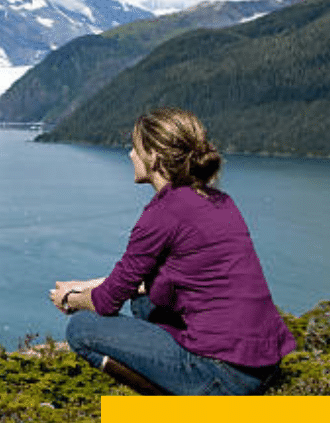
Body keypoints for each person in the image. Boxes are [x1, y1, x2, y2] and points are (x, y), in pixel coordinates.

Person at [50, 107, 296, 395]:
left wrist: (70, 298)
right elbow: (137, 281)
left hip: (225, 374)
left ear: (153, 156)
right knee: (145, 304)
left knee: (81, 329)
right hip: (264, 363)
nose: (130, 154)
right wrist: (83, 285)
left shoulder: (161, 214)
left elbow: (106, 303)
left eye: (135, 147)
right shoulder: (217, 199)